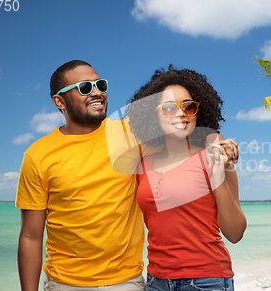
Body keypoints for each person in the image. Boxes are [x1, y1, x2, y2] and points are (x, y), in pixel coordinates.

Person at [15, 60, 239, 291]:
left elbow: (185, 128)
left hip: (127, 282)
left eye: (100, 85)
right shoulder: (38, 156)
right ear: (59, 101)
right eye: (85, 87)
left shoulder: (131, 134)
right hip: (64, 283)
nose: (97, 92)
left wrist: (216, 140)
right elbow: (31, 237)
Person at [126, 66, 247, 291]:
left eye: (188, 107)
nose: (181, 113)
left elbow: (235, 233)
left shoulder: (214, 156)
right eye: (169, 108)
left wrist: (219, 174)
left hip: (207, 280)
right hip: (156, 281)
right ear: (154, 115)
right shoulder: (142, 165)